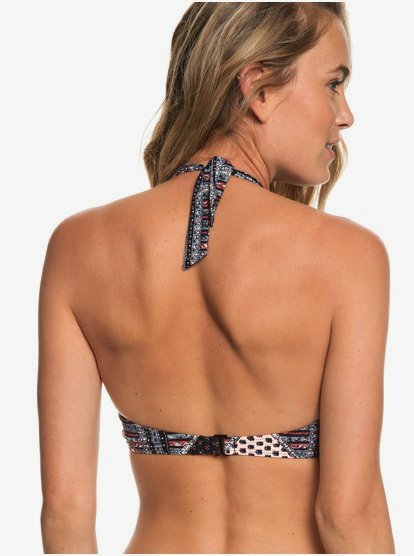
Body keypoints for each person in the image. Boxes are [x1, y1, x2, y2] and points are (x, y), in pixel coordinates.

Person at [37, 2, 395, 553]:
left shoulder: (76, 248)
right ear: (259, 89)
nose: (345, 115)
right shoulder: (348, 257)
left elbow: (65, 511)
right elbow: (348, 514)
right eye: (333, 84)